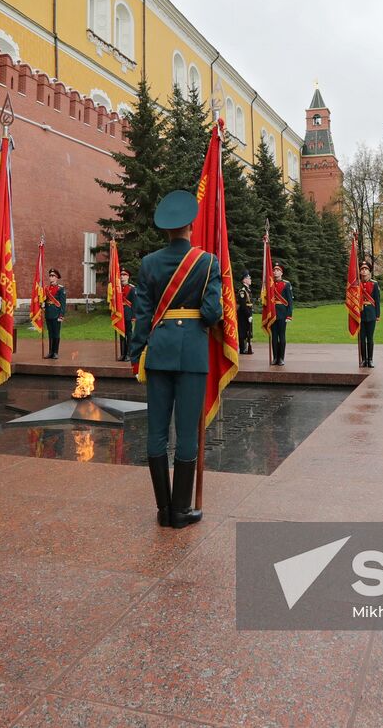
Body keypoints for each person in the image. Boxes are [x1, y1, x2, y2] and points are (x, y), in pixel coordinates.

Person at [128, 189, 223, 529]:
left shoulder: (149, 263)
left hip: (158, 351)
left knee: (156, 432)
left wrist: (135, 353)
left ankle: (163, 509)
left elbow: (141, 315)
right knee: (185, 432)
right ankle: (181, 511)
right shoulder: (207, 262)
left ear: (166, 229)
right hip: (192, 354)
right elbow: (213, 312)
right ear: (190, 226)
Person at [267, 262, 293, 366]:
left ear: (281, 273)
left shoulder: (286, 284)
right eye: (274, 270)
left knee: (281, 336)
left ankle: (281, 358)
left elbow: (290, 301)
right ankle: (275, 358)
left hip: (282, 313)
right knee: (274, 336)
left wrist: (289, 315)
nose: (275, 272)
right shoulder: (270, 283)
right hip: (272, 313)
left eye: (278, 270)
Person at [358, 260, 381, 367]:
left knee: (370, 338)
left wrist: (377, 315)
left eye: (366, 269)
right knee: (362, 338)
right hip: (360, 314)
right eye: (362, 269)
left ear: (369, 271)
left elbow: (377, 300)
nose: (364, 271)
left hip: (371, 314)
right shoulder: (357, 284)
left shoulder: (374, 284)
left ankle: (370, 359)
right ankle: (364, 360)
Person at [43, 268, 65, 359]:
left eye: (53, 276)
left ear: (57, 278)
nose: (51, 278)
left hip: (56, 315)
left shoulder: (60, 289)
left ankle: (55, 352)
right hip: (48, 314)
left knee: (56, 334)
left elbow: (63, 304)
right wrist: (42, 304)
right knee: (50, 334)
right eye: (50, 276)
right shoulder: (47, 288)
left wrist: (61, 315)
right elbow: (45, 300)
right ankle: (50, 352)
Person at [116, 266, 135, 362]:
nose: (122, 277)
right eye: (121, 275)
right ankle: (123, 354)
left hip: (128, 313)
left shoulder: (132, 289)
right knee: (121, 334)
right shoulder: (117, 289)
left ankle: (129, 354)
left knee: (129, 334)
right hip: (119, 314)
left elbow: (135, 303)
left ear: (128, 277)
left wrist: (134, 316)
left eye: (124, 275)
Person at [237, 271, 254, 355]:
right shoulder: (242, 291)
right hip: (243, 313)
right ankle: (242, 348)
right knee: (242, 330)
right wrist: (248, 315)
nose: (250, 279)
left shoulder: (248, 290)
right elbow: (243, 304)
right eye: (248, 278)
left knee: (248, 330)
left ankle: (247, 347)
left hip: (248, 312)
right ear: (244, 280)